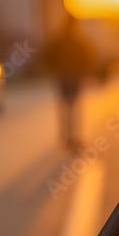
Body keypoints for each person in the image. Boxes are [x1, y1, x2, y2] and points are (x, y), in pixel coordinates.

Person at [43, 16, 96, 150]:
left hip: (65, 76)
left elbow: (48, 56)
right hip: (72, 77)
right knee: (72, 107)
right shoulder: (77, 40)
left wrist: (55, 70)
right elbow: (88, 56)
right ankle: (72, 136)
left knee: (66, 107)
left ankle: (68, 135)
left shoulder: (60, 40)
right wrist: (83, 71)